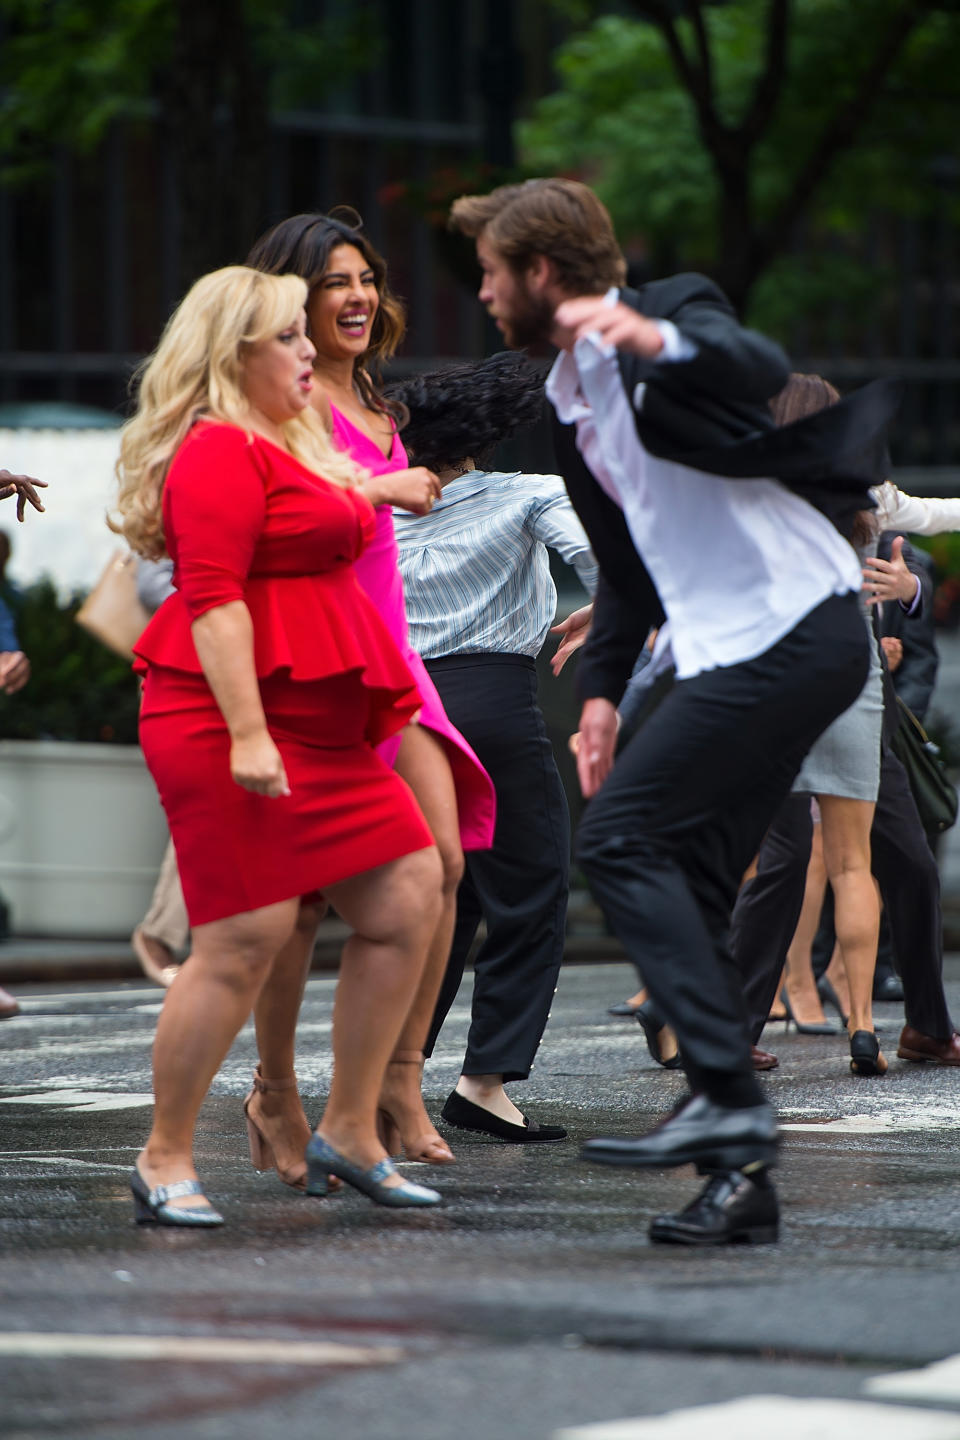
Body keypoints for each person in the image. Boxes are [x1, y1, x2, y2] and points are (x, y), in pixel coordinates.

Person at [449, 177, 897, 1246]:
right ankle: (739, 1182)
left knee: (622, 840)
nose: (481, 293)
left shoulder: (672, 313)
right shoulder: (567, 396)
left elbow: (749, 362)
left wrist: (650, 334)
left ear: (542, 276)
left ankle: (728, 1104)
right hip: (732, 645)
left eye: (491, 274)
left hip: (797, 630)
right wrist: (600, 694)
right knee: (694, 881)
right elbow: (624, 568)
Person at [112, 265, 445, 1225]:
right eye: (289, 338)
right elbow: (213, 599)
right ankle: (164, 1154)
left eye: (306, 334)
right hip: (228, 718)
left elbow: (312, 526)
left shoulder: (285, 439)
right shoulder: (216, 450)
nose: (312, 350)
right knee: (243, 939)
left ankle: (351, 1128)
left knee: (409, 888)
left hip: (319, 722)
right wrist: (251, 739)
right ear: (233, 355)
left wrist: (383, 486)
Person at [246, 211, 495, 1172]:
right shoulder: (289, 402)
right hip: (312, 662)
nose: (355, 297)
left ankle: (396, 1078)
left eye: (364, 279)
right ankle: (275, 1093)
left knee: (442, 866)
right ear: (292, 300)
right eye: (333, 283)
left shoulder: (382, 407)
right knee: (299, 904)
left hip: (395, 659)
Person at [387, 352, 597, 1141]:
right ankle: (484, 1081)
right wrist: (602, 615)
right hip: (492, 705)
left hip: (403, 711)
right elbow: (604, 564)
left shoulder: (380, 509)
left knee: (438, 896)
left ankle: (393, 1066)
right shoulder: (529, 494)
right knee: (531, 889)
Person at [130, 557, 189, 988]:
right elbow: (150, 581)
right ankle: (160, 933)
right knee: (211, 807)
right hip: (189, 661)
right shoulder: (174, 488)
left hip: (258, 653)